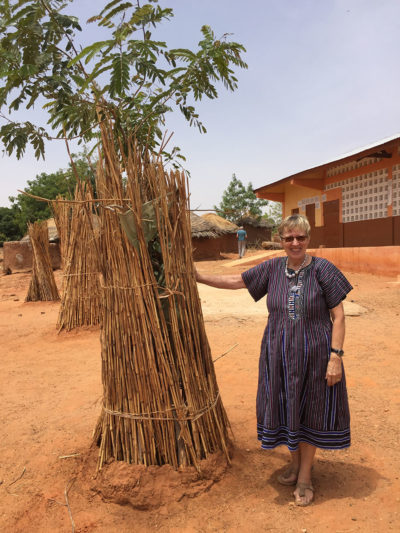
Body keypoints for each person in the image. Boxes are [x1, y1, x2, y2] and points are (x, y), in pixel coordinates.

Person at [195, 214, 352, 506]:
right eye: (288, 238)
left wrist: (336, 357)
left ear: (308, 239)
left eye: (300, 238)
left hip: (315, 354)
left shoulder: (323, 270)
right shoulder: (272, 268)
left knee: (310, 409)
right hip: (278, 353)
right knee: (287, 405)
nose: (295, 243)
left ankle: (305, 476)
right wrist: (200, 276)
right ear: (280, 240)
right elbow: (237, 280)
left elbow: (339, 315)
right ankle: (295, 463)